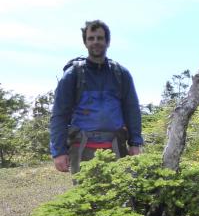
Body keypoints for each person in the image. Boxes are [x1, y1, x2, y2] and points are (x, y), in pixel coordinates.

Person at [50, 20, 143, 174]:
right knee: (86, 196)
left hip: (117, 148)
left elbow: (132, 110)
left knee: (121, 196)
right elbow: (59, 115)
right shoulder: (73, 75)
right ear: (85, 42)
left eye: (100, 38)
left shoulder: (121, 74)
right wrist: (59, 152)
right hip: (82, 149)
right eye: (91, 38)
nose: (96, 42)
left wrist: (135, 142)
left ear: (107, 41)